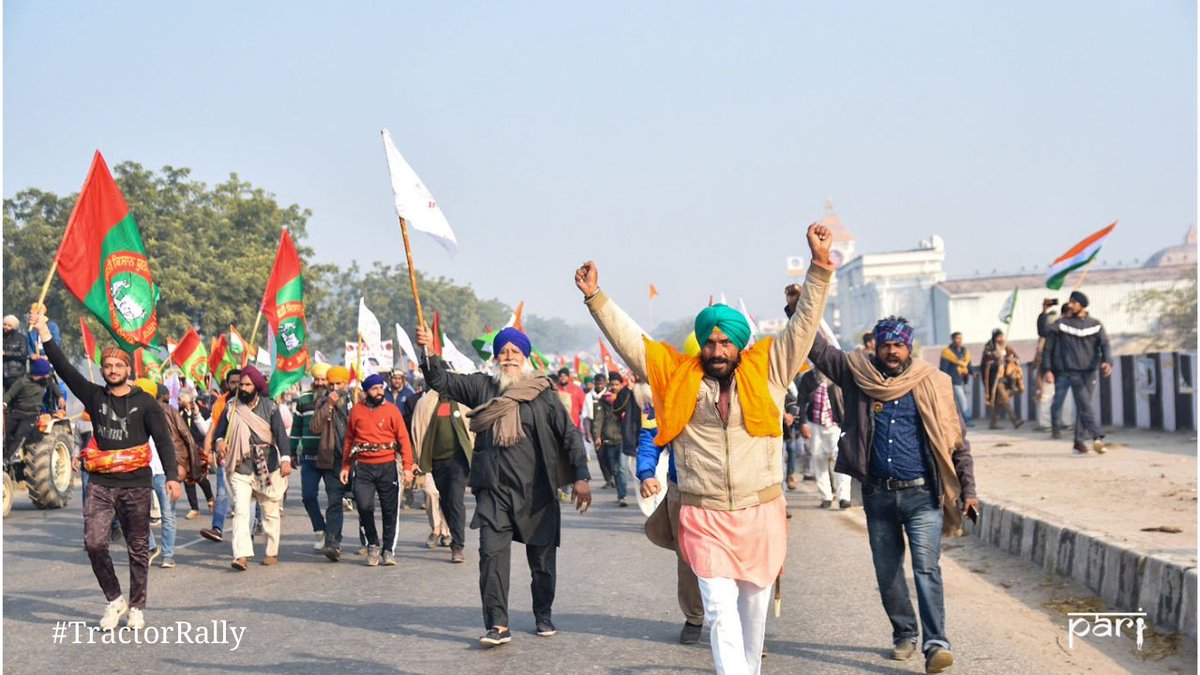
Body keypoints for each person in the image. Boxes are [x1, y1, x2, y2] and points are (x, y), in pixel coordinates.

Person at [579, 222, 833, 675]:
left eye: (725, 342)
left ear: (739, 344)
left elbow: (804, 327)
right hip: (702, 512)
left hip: (759, 510)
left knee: (752, 615)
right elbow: (633, 341)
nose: (717, 349)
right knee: (717, 607)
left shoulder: (770, 368)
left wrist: (818, 267)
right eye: (710, 341)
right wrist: (597, 298)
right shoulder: (678, 375)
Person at [804, 314, 978, 675]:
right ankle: (904, 633)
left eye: (898, 345)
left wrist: (969, 490)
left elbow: (957, 441)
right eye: (886, 345)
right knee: (888, 572)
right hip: (878, 497)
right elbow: (819, 350)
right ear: (876, 347)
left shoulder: (933, 383)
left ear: (908, 347)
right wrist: (799, 309)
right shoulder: (859, 377)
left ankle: (936, 643)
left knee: (926, 570)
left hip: (923, 497)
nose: (892, 351)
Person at [416, 324, 592, 647]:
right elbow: (442, 381)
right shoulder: (483, 387)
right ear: (496, 357)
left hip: (537, 492)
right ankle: (497, 624)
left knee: (542, 564)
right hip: (494, 491)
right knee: (490, 556)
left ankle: (543, 611)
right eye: (503, 351)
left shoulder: (544, 394)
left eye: (515, 351)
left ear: (525, 357)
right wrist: (428, 351)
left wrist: (581, 476)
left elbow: (569, 435)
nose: (508, 356)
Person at [35, 312, 179, 630]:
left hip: (136, 483)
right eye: (108, 366)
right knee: (94, 543)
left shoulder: (146, 403)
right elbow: (63, 366)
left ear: (129, 370)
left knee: (138, 547)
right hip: (100, 483)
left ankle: (137, 606)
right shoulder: (94, 396)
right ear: (103, 369)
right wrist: (44, 330)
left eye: (119, 366)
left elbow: (164, 441)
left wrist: (172, 476)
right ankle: (115, 600)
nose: (113, 370)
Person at [635, 383, 706, 645]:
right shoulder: (671, 395)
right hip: (684, 491)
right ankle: (694, 617)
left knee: (738, 562)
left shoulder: (742, 390)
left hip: (733, 495)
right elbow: (651, 438)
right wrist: (646, 472)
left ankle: (746, 626)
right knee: (689, 559)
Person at [213, 366, 292, 570]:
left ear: (256, 386)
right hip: (241, 465)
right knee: (240, 510)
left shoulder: (270, 407)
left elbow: (281, 436)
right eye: (241, 384)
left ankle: (271, 551)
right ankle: (241, 555)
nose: (244, 388)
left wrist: (285, 459)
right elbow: (219, 433)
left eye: (248, 385)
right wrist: (220, 442)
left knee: (269, 511)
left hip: (267, 465)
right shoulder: (231, 407)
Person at [339, 373, 414, 567]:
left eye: (381, 388)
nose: (379, 392)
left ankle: (388, 550)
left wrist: (407, 467)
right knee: (364, 507)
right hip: (363, 467)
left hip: (387, 465)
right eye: (374, 389)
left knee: (389, 510)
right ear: (366, 392)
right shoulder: (356, 411)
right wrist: (345, 466)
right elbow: (349, 439)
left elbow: (404, 439)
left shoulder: (392, 410)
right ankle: (372, 543)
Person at [1040, 290, 1112, 453]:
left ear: (1081, 305)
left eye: (1073, 302)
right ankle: (1097, 436)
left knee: (1083, 405)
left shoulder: (1095, 324)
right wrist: (1047, 369)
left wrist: (1108, 361)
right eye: (1069, 302)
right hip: (1072, 371)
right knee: (1085, 403)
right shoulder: (1062, 324)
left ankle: (1079, 441)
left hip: (1090, 371)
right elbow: (1046, 342)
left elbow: (1105, 344)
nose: (1070, 305)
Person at [411, 385, 475, 562]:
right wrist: (415, 460)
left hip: (458, 462)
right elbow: (417, 430)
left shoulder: (462, 402)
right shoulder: (425, 403)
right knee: (445, 502)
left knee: (455, 500)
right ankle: (449, 532)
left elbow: (473, 427)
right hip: (436, 462)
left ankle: (458, 545)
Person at [312, 365, 353, 561]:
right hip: (332, 459)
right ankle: (333, 543)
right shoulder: (322, 401)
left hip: (356, 460)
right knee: (334, 502)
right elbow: (315, 427)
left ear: (347, 383)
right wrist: (328, 405)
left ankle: (368, 542)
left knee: (363, 503)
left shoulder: (358, 400)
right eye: (332, 383)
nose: (335, 387)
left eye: (340, 383)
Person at [794, 369, 850, 509]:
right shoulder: (808, 377)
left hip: (836, 423)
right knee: (818, 458)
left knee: (841, 459)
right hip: (814, 423)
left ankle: (844, 497)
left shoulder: (839, 374)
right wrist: (802, 423)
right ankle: (826, 496)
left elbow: (849, 398)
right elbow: (801, 401)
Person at [199, 369, 242, 543]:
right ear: (227, 384)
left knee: (251, 494)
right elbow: (212, 430)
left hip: (248, 456)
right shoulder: (221, 403)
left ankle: (255, 523)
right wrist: (207, 452)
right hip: (225, 454)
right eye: (233, 383)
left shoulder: (254, 400)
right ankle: (217, 528)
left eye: (241, 382)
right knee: (222, 493)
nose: (237, 386)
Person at [293, 362, 329, 551]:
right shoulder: (304, 399)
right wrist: (290, 452)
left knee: (335, 498)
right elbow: (296, 427)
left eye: (324, 379)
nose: (321, 382)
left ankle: (333, 534)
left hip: (331, 457)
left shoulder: (336, 399)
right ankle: (319, 530)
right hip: (309, 457)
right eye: (318, 379)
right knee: (308, 496)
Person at [591, 371, 633, 507]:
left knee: (622, 467)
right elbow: (598, 419)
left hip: (623, 438)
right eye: (612, 384)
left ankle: (623, 495)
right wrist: (597, 436)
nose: (614, 387)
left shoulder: (626, 397)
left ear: (621, 385)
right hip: (608, 438)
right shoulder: (603, 400)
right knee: (614, 469)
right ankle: (620, 491)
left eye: (617, 384)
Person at [3, 359, 55, 460]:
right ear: (40, 374)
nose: (48, 376)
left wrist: (61, 397)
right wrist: (4, 404)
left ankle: (7, 459)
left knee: (20, 434)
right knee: (5, 431)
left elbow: (54, 388)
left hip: (32, 415)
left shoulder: (45, 382)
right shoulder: (22, 382)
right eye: (47, 374)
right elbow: (10, 394)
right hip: (17, 412)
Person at [178, 391, 214, 520]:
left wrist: (209, 451)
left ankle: (210, 498)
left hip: (200, 449)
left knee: (201, 477)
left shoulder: (203, 411)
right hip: (185, 451)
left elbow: (208, 432)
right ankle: (194, 508)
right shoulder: (179, 413)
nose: (179, 399)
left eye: (181, 397)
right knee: (188, 480)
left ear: (189, 399)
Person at [980, 329, 1024, 430]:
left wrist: (1010, 359)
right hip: (995, 379)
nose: (1000, 339)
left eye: (1001, 337)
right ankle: (1015, 420)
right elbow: (986, 364)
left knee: (998, 402)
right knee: (1005, 399)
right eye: (998, 337)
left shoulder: (1006, 346)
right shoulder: (989, 347)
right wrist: (997, 358)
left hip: (1006, 377)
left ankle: (992, 423)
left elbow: (1016, 357)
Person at [938, 332, 974, 427]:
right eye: (957, 338)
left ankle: (958, 420)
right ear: (953, 339)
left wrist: (973, 372)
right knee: (962, 400)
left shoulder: (964, 351)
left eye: (961, 338)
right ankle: (967, 419)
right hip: (954, 380)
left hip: (963, 379)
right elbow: (943, 368)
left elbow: (968, 364)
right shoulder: (947, 352)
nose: (960, 340)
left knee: (958, 401)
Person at [583, 373, 611, 487]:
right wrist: (588, 433)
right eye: (597, 383)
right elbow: (586, 417)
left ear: (605, 383)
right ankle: (608, 479)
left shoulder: (610, 395)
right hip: (596, 431)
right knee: (601, 456)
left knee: (611, 456)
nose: (599, 386)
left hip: (610, 431)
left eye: (601, 383)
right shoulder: (589, 396)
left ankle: (614, 476)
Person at [3, 314, 29, 392]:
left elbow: (23, 354)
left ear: (14, 327)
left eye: (9, 325)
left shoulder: (21, 338)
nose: (6, 327)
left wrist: (6, 353)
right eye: (4, 324)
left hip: (16, 374)